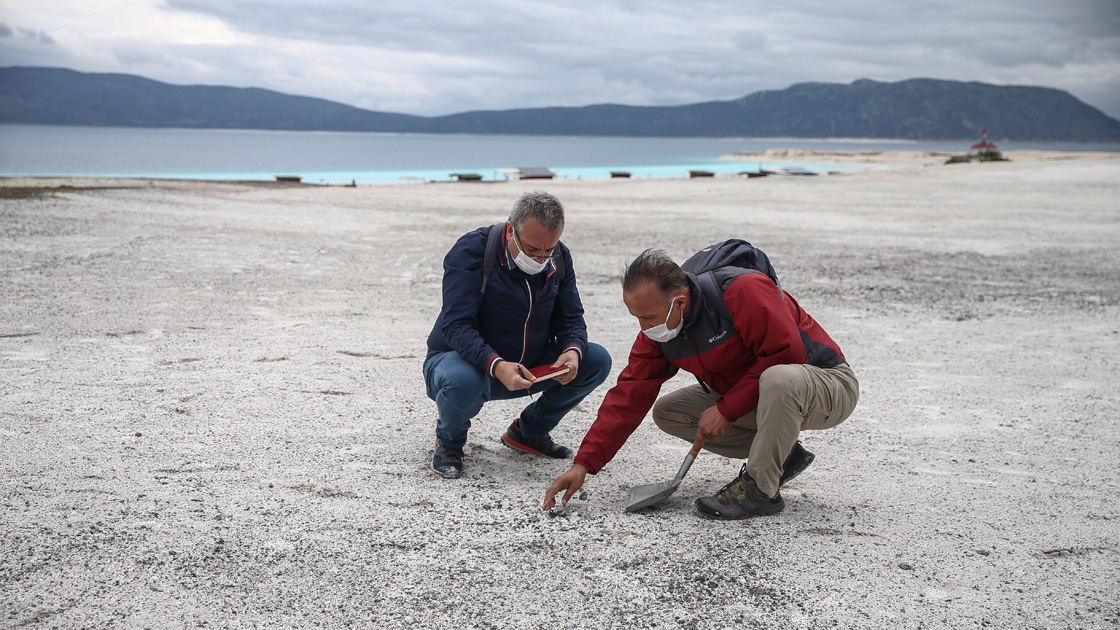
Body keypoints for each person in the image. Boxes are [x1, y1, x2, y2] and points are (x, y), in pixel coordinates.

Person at [544, 248, 858, 519]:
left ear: (679, 302)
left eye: (649, 317)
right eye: (637, 318)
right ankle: (782, 456)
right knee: (669, 411)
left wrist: (727, 409)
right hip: (766, 396)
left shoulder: (741, 290)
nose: (644, 328)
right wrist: (583, 464)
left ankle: (761, 490)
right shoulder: (658, 333)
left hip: (826, 383)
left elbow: (786, 353)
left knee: (778, 377)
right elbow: (628, 394)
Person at [423, 190, 611, 479]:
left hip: (527, 367)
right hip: (465, 364)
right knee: (462, 382)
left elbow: (571, 318)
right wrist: (496, 365)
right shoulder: (472, 251)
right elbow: (455, 326)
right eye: (533, 250)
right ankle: (449, 442)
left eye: (548, 251)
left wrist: (572, 351)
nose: (540, 259)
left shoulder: (559, 257)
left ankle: (528, 433)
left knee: (595, 359)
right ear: (511, 229)